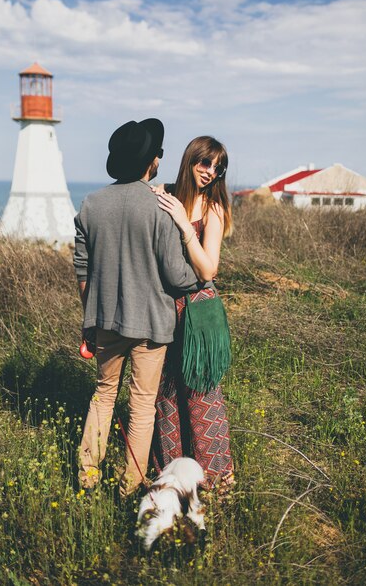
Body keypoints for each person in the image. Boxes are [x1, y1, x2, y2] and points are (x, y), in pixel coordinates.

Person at [73, 119, 208, 497]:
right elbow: (178, 276)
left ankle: (87, 476)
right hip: (151, 324)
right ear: (152, 162)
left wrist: (92, 315)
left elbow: (82, 267)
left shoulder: (91, 204)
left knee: (103, 395)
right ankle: (130, 485)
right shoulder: (161, 206)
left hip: (104, 321)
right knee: (142, 406)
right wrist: (204, 278)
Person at [151, 135, 235, 493]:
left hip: (199, 313)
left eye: (218, 168)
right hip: (163, 309)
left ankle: (216, 481)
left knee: (202, 397)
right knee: (166, 396)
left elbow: (208, 270)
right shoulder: (164, 192)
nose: (210, 172)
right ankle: (172, 480)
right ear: (190, 160)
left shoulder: (213, 208)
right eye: (205, 163)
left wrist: (185, 227)